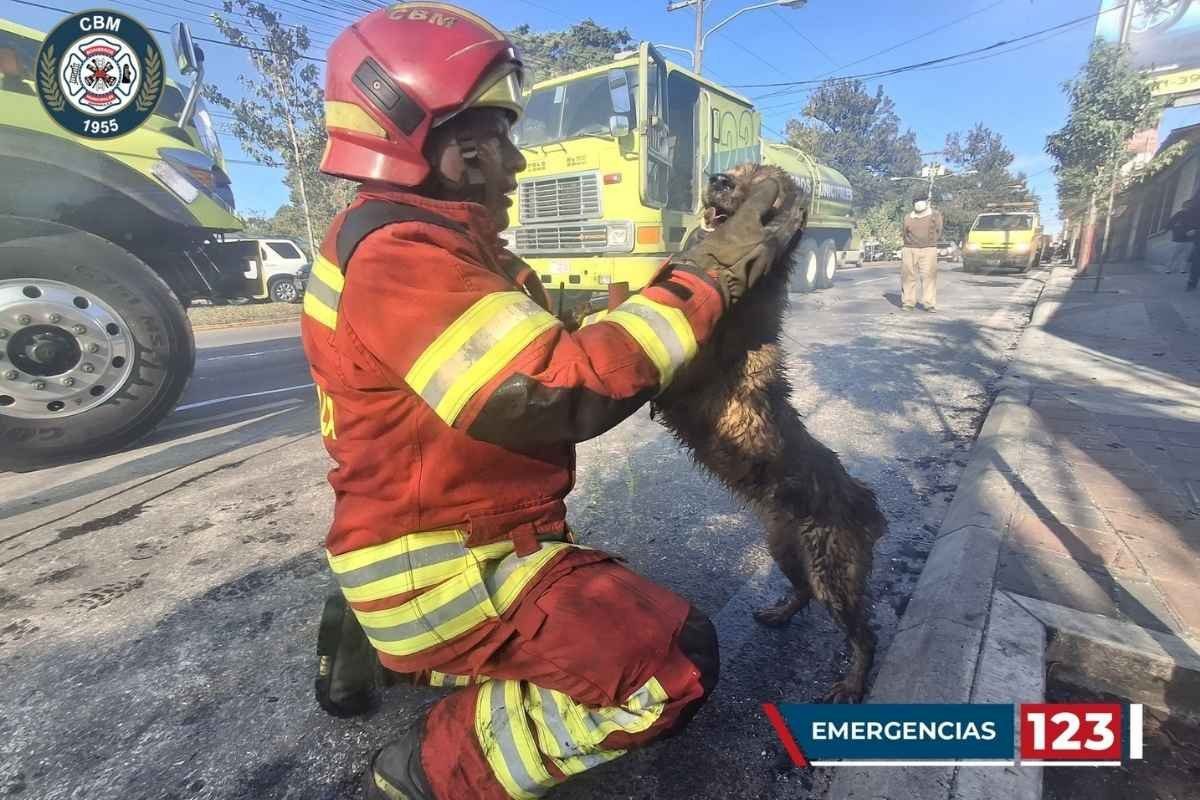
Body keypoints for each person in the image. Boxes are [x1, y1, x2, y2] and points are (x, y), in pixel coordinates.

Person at [300, 6, 803, 800]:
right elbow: (556, 387)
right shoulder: (406, 257)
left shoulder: (417, 244)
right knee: (672, 662)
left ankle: (382, 646)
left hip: (412, 536)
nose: (518, 161)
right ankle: (430, 766)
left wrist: (688, 281)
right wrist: (706, 276)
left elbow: (575, 339)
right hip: (450, 561)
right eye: (500, 139)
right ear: (459, 151)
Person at [900, 192, 944, 312]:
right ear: (913, 204)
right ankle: (908, 303)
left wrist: (930, 242)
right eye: (916, 201)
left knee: (929, 277)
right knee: (908, 276)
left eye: (921, 201)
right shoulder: (908, 217)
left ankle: (929, 304)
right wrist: (909, 245)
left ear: (927, 202)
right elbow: (904, 233)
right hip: (909, 248)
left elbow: (939, 230)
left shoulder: (935, 215)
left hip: (929, 248)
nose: (918, 203)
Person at [1168, 193, 1200, 290]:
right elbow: (1170, 224)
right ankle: (1191, 282)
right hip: (1185, 239)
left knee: (1190, 257)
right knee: (1194, 258)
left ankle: (1190, 280)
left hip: (1192, 238)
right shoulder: (1183, 213)